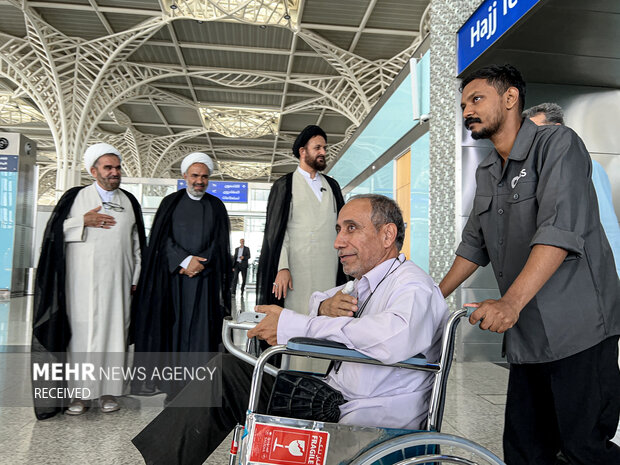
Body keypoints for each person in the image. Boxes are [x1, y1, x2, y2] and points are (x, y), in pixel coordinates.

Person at [132, 194, 449, 465]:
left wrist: (292, 324)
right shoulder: (368, 282)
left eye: (351, 229)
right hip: (332, 395)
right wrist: (323, 309)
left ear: (386, 234)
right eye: (338, 230)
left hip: (360, 416)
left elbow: (390, 339)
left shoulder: (412, 286)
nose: (338, 241)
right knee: (226, 372)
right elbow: (321, 299)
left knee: (228, 378)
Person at [440, 64, 620, 464]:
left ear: (510, 98)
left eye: (477, 99)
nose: (467, 109)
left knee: (583, 448)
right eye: (464, 102)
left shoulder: (558, 144)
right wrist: (431, 297)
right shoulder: (488, 170)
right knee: (524, 451)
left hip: (580, 329)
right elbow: (473, 246)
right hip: (529, 335)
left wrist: (510, 303)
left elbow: (558, 231)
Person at [32, 143, 146, 418]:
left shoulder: (129, 201)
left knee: (114, 337)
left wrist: (136, 277)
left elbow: (137, 245)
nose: (114, 172)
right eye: (108, 168)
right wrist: (82, 220)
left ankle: (108, 391)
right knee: (82, 339)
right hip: (80, 286)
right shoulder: (75, 198)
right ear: (93, 171)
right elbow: (54, 234)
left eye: (117, 167)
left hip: (118, 285)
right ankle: (80, 395)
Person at [131, 153, 231, 394]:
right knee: (173, 328)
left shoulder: (216, 205)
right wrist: (184, 261)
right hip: (174, 281)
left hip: (204, 282)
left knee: (201, 332)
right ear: (184, 175)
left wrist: (200, 263)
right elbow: (161, 240)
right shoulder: (170, 203)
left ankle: (199, 384)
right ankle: (172, 383)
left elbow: (220, 242)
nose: (200, 181)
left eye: (205, 176)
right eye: (195, 175)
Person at [256, 124, 347, 313]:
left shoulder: (332, 185)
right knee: (296, 321)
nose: (323, 152)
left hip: (329, 271)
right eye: (317, 148)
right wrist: (282, 268)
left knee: (325, 322)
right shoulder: (285, 185)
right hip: (296, 273)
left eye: (324, 148)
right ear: (302, 151)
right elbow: (277, 233)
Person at [523, 102, 620, 276]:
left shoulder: (586, 166)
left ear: (558, 130)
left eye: (538, 133)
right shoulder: (536, 173)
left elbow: (607, 224)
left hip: (591, 274)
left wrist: (616, 272)